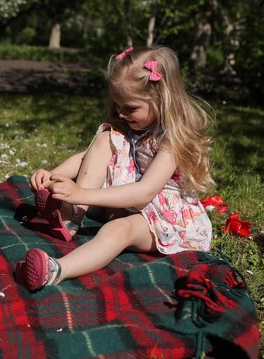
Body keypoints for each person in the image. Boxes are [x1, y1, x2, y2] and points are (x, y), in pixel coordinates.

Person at [15, 45, 214, 291]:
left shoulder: (173, 140)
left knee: (117, 230)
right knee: (105, 136)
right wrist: (55, 176)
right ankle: (71, 216)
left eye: (129, 107)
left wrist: (81, 193)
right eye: (117, 104)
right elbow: (86, 158)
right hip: (127, 197)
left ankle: (56, 269)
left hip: (165, 217)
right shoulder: (131, 126)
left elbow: (144, 192)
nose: (120, 111)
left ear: (161, 98)